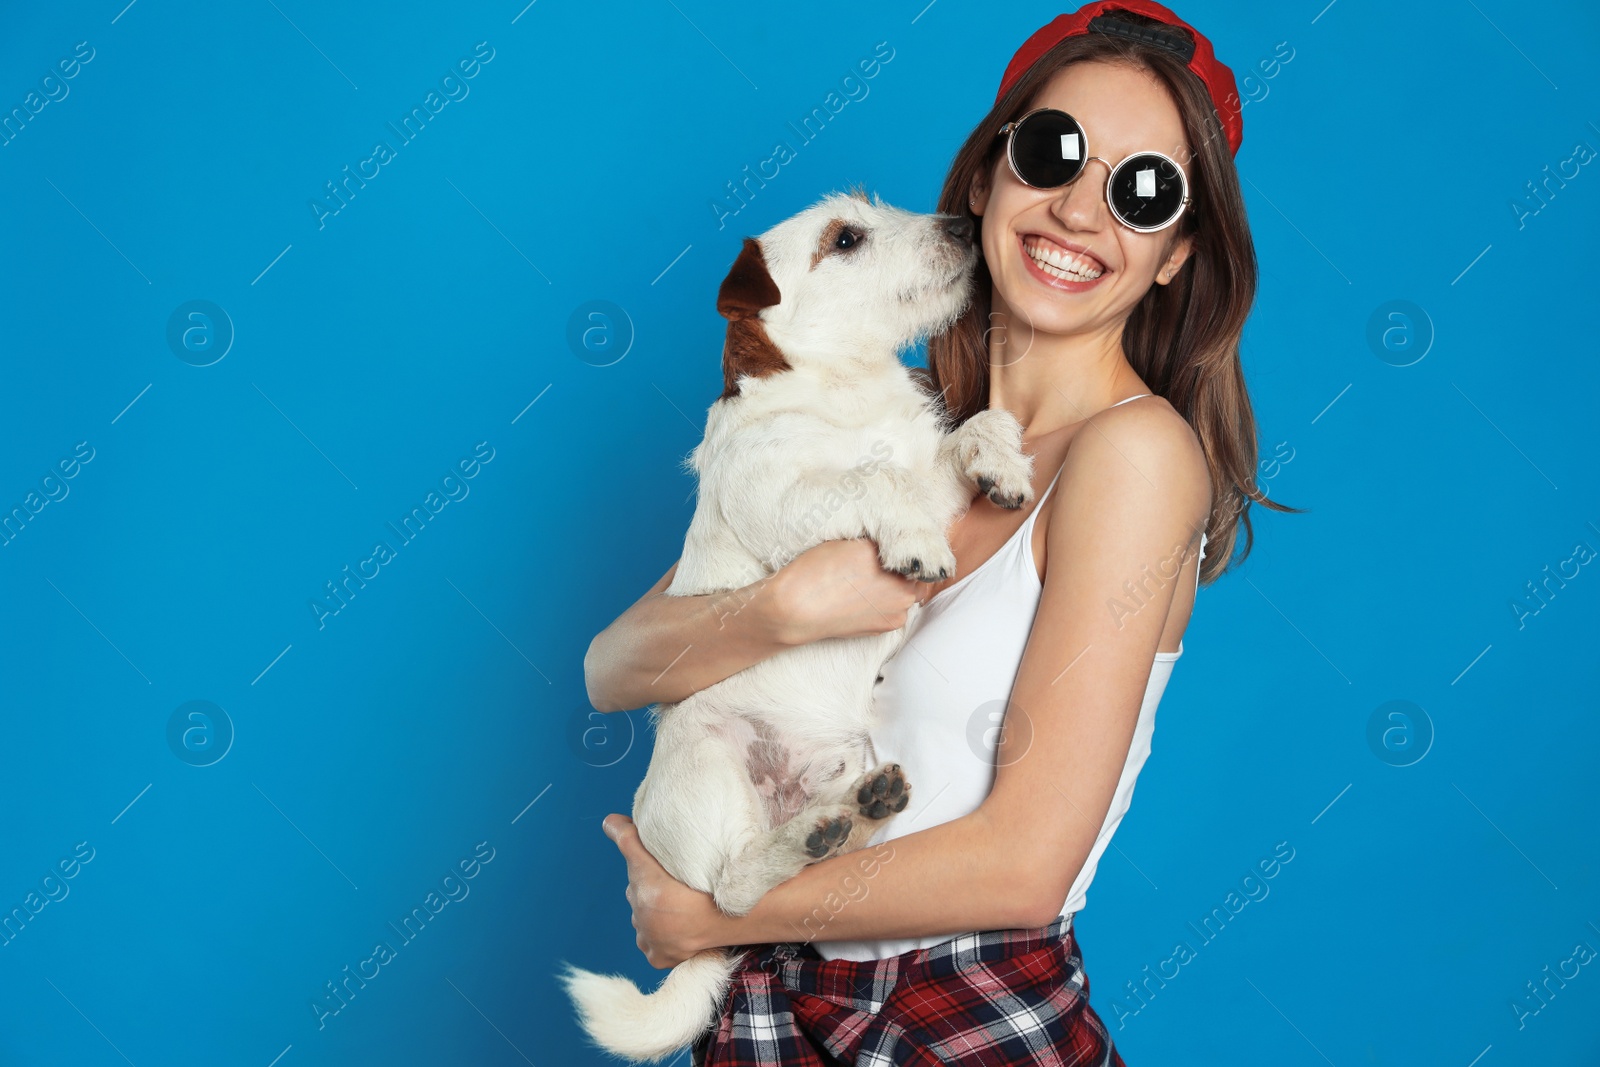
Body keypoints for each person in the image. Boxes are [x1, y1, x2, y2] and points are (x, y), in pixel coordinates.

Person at [584, 2, 1295, 1061]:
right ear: (986, 175)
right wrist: (780, 606)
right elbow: (614, 664)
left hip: (956, 1010)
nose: (1078, 213)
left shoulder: (1133, 455)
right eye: (1053, 152)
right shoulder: (890, 424)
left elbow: (1023, 863)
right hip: (773, 1007)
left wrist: (715, 919)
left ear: (1175, 253)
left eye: (1142, 191)